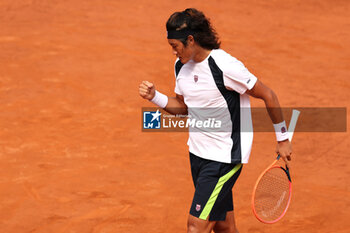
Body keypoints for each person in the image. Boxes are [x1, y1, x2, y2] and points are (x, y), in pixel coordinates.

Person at [139, 8, 292, 233]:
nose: (173, 52)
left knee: (196, 227)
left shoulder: (224, 66)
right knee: (223, 226)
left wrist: (282, 139)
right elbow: (183, 108)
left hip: (224, 158)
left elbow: (268, 95)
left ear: (190, 40)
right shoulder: (180, 66)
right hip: (198, 155)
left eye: (175, 46)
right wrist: (155, 97)